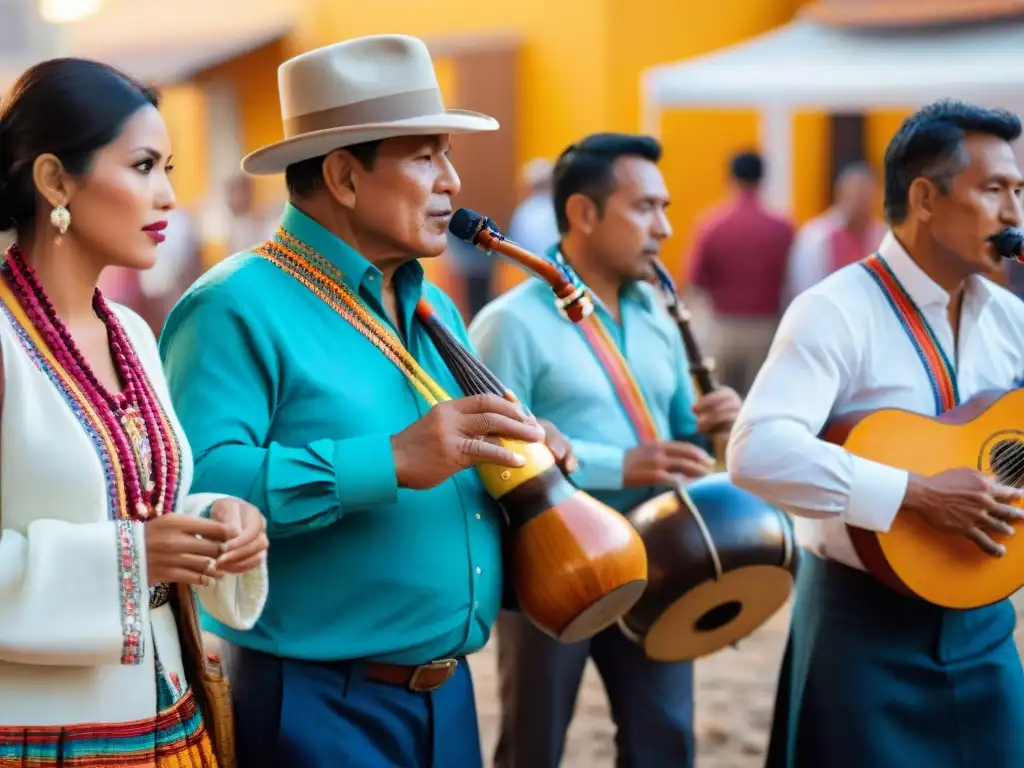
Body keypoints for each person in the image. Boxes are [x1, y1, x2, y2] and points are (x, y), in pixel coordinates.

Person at [158, 35, 575, 768]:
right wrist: (389, 460)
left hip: (450, 699)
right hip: (320, 706)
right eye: (424, 156)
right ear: (345, 176)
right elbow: (201, 494)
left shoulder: (434, 306)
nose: (452, 179)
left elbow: (452, 460)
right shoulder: (233, 306)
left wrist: (524, 451)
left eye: (447, 153)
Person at [727, 99, 1024, 767]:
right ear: (925, 197)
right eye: (995, 190)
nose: (1014, 214)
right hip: (863, 631)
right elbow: (754, 452)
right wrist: (916, 494)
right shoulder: (832, 312)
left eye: (1020, 192)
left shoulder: (1011, 318)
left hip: (986, 630)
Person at [0, 58, 268, 765]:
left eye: (169, 168)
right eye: (145, 166)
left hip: (169, 712)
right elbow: (128, 539)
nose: (170, 197)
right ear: (55, 180)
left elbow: (140, 501)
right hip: (37, 735)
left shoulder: (133, 334)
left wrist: (213, 522)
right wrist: (130, 558)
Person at [470, 133, 743, 768]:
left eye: (665, 207)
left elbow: (683, 439)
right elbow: (488, 447)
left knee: (666, 739)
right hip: (555, 564)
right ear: (583, 214)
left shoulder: (660, 312)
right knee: (534, 743)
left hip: (661, 556)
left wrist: (715, 425)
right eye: (645, 208)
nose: (665, 227)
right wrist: (613, 465)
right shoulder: (510, 321)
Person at [687, 151, 795, 394]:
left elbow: (695, 280)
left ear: (731, 178)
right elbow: (794, 279)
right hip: (767, 327)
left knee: (721, 407)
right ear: (762, 179)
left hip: (724, 327)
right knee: (760, 403)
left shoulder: (712, 225)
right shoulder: (782, 227)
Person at [783, 159, 886, 303]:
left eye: (867, 191)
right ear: (840, 192)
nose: (862, 199)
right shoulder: (817, 236)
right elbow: (804, 286)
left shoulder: (883, 235)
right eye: (856, 191)